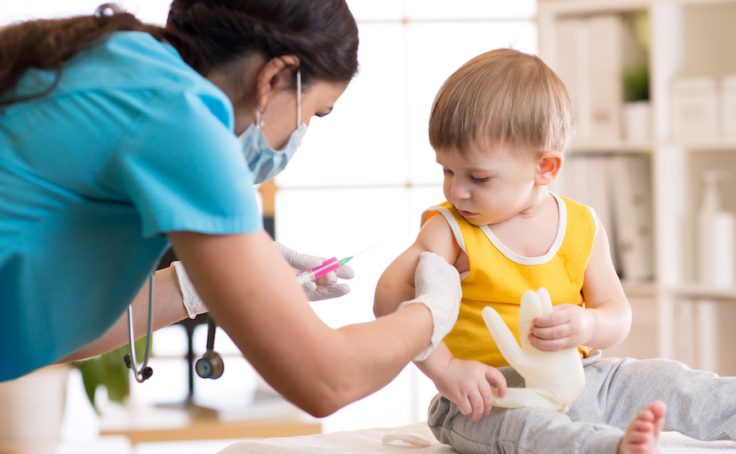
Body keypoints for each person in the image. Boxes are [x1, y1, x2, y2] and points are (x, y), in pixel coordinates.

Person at [0, 0, 464, 417]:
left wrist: (189, 287)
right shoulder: (180, 117)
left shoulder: (123, 65)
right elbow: (326, 380)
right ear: (276, 78)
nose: (300, 134)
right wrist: (430, 313)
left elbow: (36, 323)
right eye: (313, 113)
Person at [374, 48, 736, 453]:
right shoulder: (448, 230)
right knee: (531, 429)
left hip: (582, 379)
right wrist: (445, 369)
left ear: (545, 168)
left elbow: (617, 315)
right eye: (447, 170)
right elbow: (390, 297)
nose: (456, 190)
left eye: (478, 176)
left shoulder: (582, 225)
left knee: (671, 381)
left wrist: (586, 326)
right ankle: (606, 447)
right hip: (486, 398)